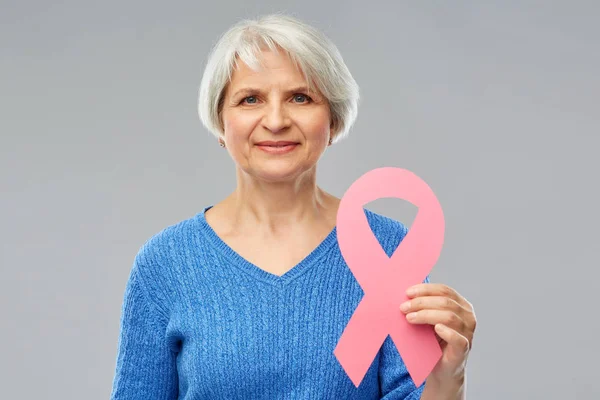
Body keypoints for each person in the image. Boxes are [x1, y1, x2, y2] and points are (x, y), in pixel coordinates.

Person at [110, 13, 477, 399]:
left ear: (332, 119)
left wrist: (449, 376)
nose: (276, 120)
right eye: (250, 99)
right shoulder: (166, 262)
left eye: (300, 98)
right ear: (221, 121)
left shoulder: (387, 247)